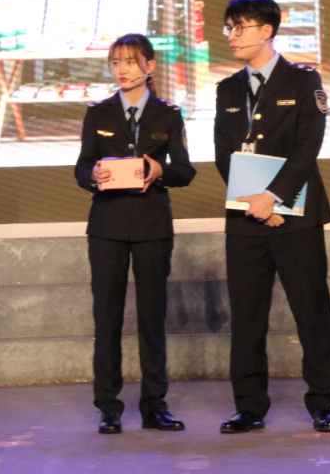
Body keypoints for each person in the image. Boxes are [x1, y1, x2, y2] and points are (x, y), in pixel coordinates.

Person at [213, 0, 330, 434]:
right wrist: (257, 203)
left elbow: (308, 148)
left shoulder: (303, 80)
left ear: (266, 31)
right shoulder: (227, 89)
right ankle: (249, 407)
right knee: (247, 316)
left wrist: (275, 198)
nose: (232, 36)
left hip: (297, 217)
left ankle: (323, 403)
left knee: (312, 310)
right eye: (229, 28)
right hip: (246, 218)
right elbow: (223, 153)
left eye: (240, 27)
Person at [74, 33, 196, 434]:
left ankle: (154, 405)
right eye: (115, 62)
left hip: (152, 225)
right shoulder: (98, 113)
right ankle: (108, 406)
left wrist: (160, 171)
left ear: (149, 66)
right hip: (106, 226)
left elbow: (185, 170)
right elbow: (81, 168)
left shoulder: (168, 114)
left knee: (151, 317)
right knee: (106, 317)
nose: (122, 70)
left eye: (130, 62)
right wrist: (92, 174)